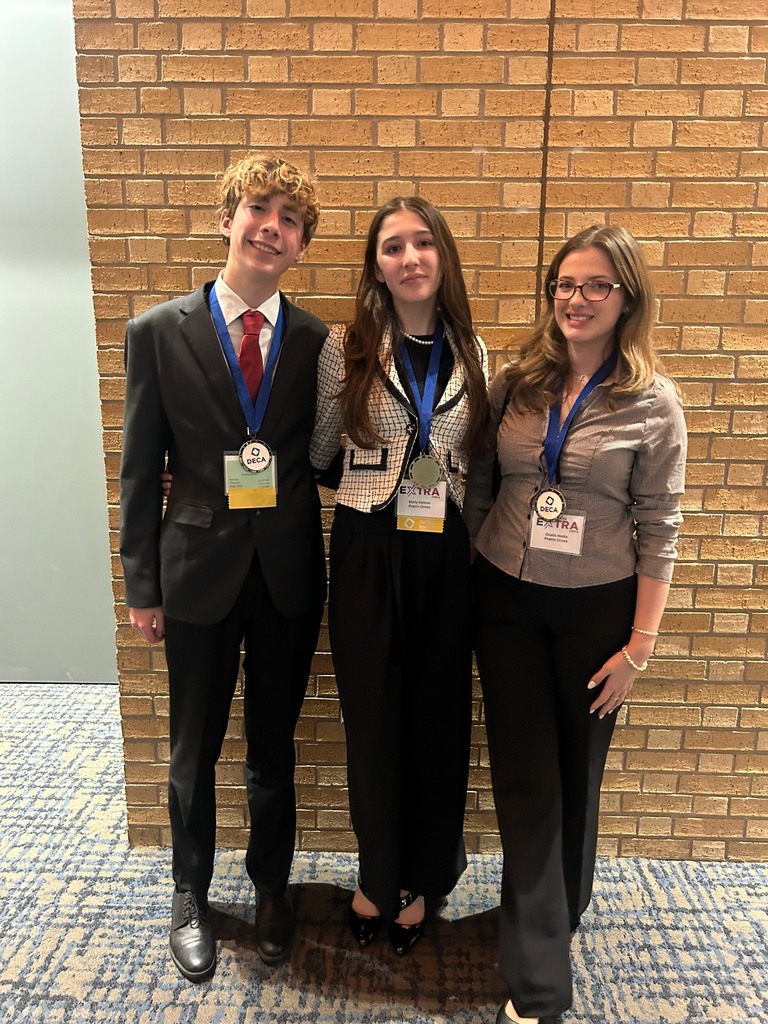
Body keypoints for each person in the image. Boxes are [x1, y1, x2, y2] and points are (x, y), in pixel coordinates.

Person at [463, 225, 687, 1024]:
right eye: (565, 283)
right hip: (508, 600)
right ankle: (540, 979)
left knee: (578, 777)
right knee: (527, 776)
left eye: (596, 286)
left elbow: (661, 524)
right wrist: (464, 580)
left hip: (599, 609)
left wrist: (640, 647)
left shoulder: (652, 402)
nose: (576, 299)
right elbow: (482, 479)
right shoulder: (519, 380)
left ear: (627, 297)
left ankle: (559, 910)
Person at [119, 155, 328, 980]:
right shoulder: (156, 333)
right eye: (258, 208)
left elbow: (322, 453)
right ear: (227, 218)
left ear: (301, 245)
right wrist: (142, 585)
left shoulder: (316, 342)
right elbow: (140, 468)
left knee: (274, 747)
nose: (271, 225)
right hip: (194, 570)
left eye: (289, 218)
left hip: (283, 575)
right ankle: (190, 895)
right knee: (191, 748)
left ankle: (272, 889)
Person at [310, 196, 488, 955]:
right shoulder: (345, 347)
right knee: (374, 715)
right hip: (366, 545)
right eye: (393, 247)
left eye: (422, 243)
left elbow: (480, 463)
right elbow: (322, 449)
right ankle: (378, 874)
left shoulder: (476, 350)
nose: (409, 258)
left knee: (439, 717)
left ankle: (424, 879)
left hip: (446, 549)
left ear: (441, 256)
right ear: (376, 265)